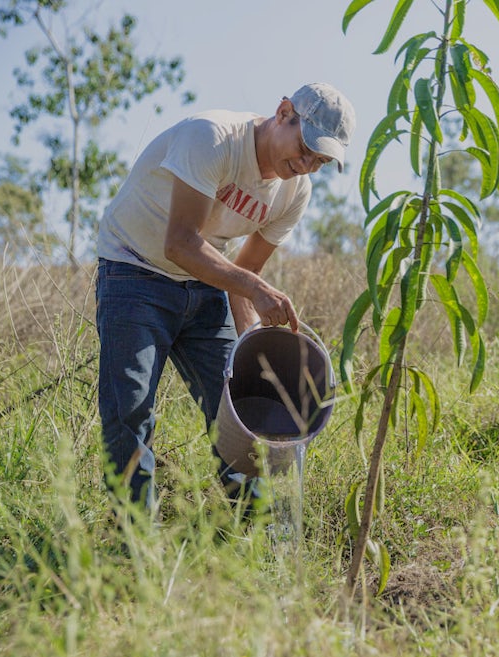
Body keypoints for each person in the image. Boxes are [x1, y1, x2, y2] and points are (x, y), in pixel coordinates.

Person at [95, 82, 355, 517]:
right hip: (133, 270)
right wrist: (253, 289)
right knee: (130, 412)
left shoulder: (295, 191)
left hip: (207, 283)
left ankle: (249, 537)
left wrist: (252, 342)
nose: (307, 165)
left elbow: (246, 274)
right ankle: (136, 549)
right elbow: (179, 244)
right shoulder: (212, 137)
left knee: (239, 406)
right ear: (283, 111)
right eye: (305, 147)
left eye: (320, 161)